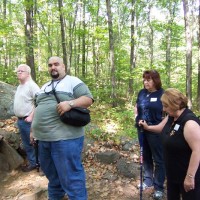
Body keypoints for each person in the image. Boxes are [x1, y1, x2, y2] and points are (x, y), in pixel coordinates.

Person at [31, 56, 93, 200]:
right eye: (50, 65)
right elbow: (37, 108)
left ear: (63, 66)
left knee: (71, 178)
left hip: (65, 140)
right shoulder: (44, 86)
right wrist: (33, 130)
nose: (53, 67)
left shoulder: (72, 81)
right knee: (53, 178)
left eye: (56, 64)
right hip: (42, 139)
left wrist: (70, 104)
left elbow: (88, 99)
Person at [139, 88, 200, 200]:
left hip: (188, 174)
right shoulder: (171, 117)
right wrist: (147, 127)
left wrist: (190, 177)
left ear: (175, 104)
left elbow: (197, 151)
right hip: (172, 173)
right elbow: (160, 128)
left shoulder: (189, 123)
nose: (163, 109)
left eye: (166, 106)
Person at [134, 70, 165, 199]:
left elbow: (168, 114)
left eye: (148, 80)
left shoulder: (163, 94)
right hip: (141, 130)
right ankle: (148, 181)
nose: (145, 82)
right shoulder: (142, 93)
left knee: (159, 159)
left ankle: (159, 187)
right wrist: (136, 117)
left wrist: (154, 127)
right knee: (145, 156)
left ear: (155, 80)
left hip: (155, 131)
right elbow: (137, 107)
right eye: (144, 79)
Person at [14, 64, 40, 172]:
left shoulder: (32, 86)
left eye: (21, 71)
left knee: (36, 143)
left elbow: (40, 102)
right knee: (27, 144)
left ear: (28, 73)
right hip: (21, 120)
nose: (19, 72)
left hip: (29, 120)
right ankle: (33, 163)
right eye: (18, 71)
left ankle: (42, 165)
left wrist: (31, 116)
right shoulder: (20, 86)